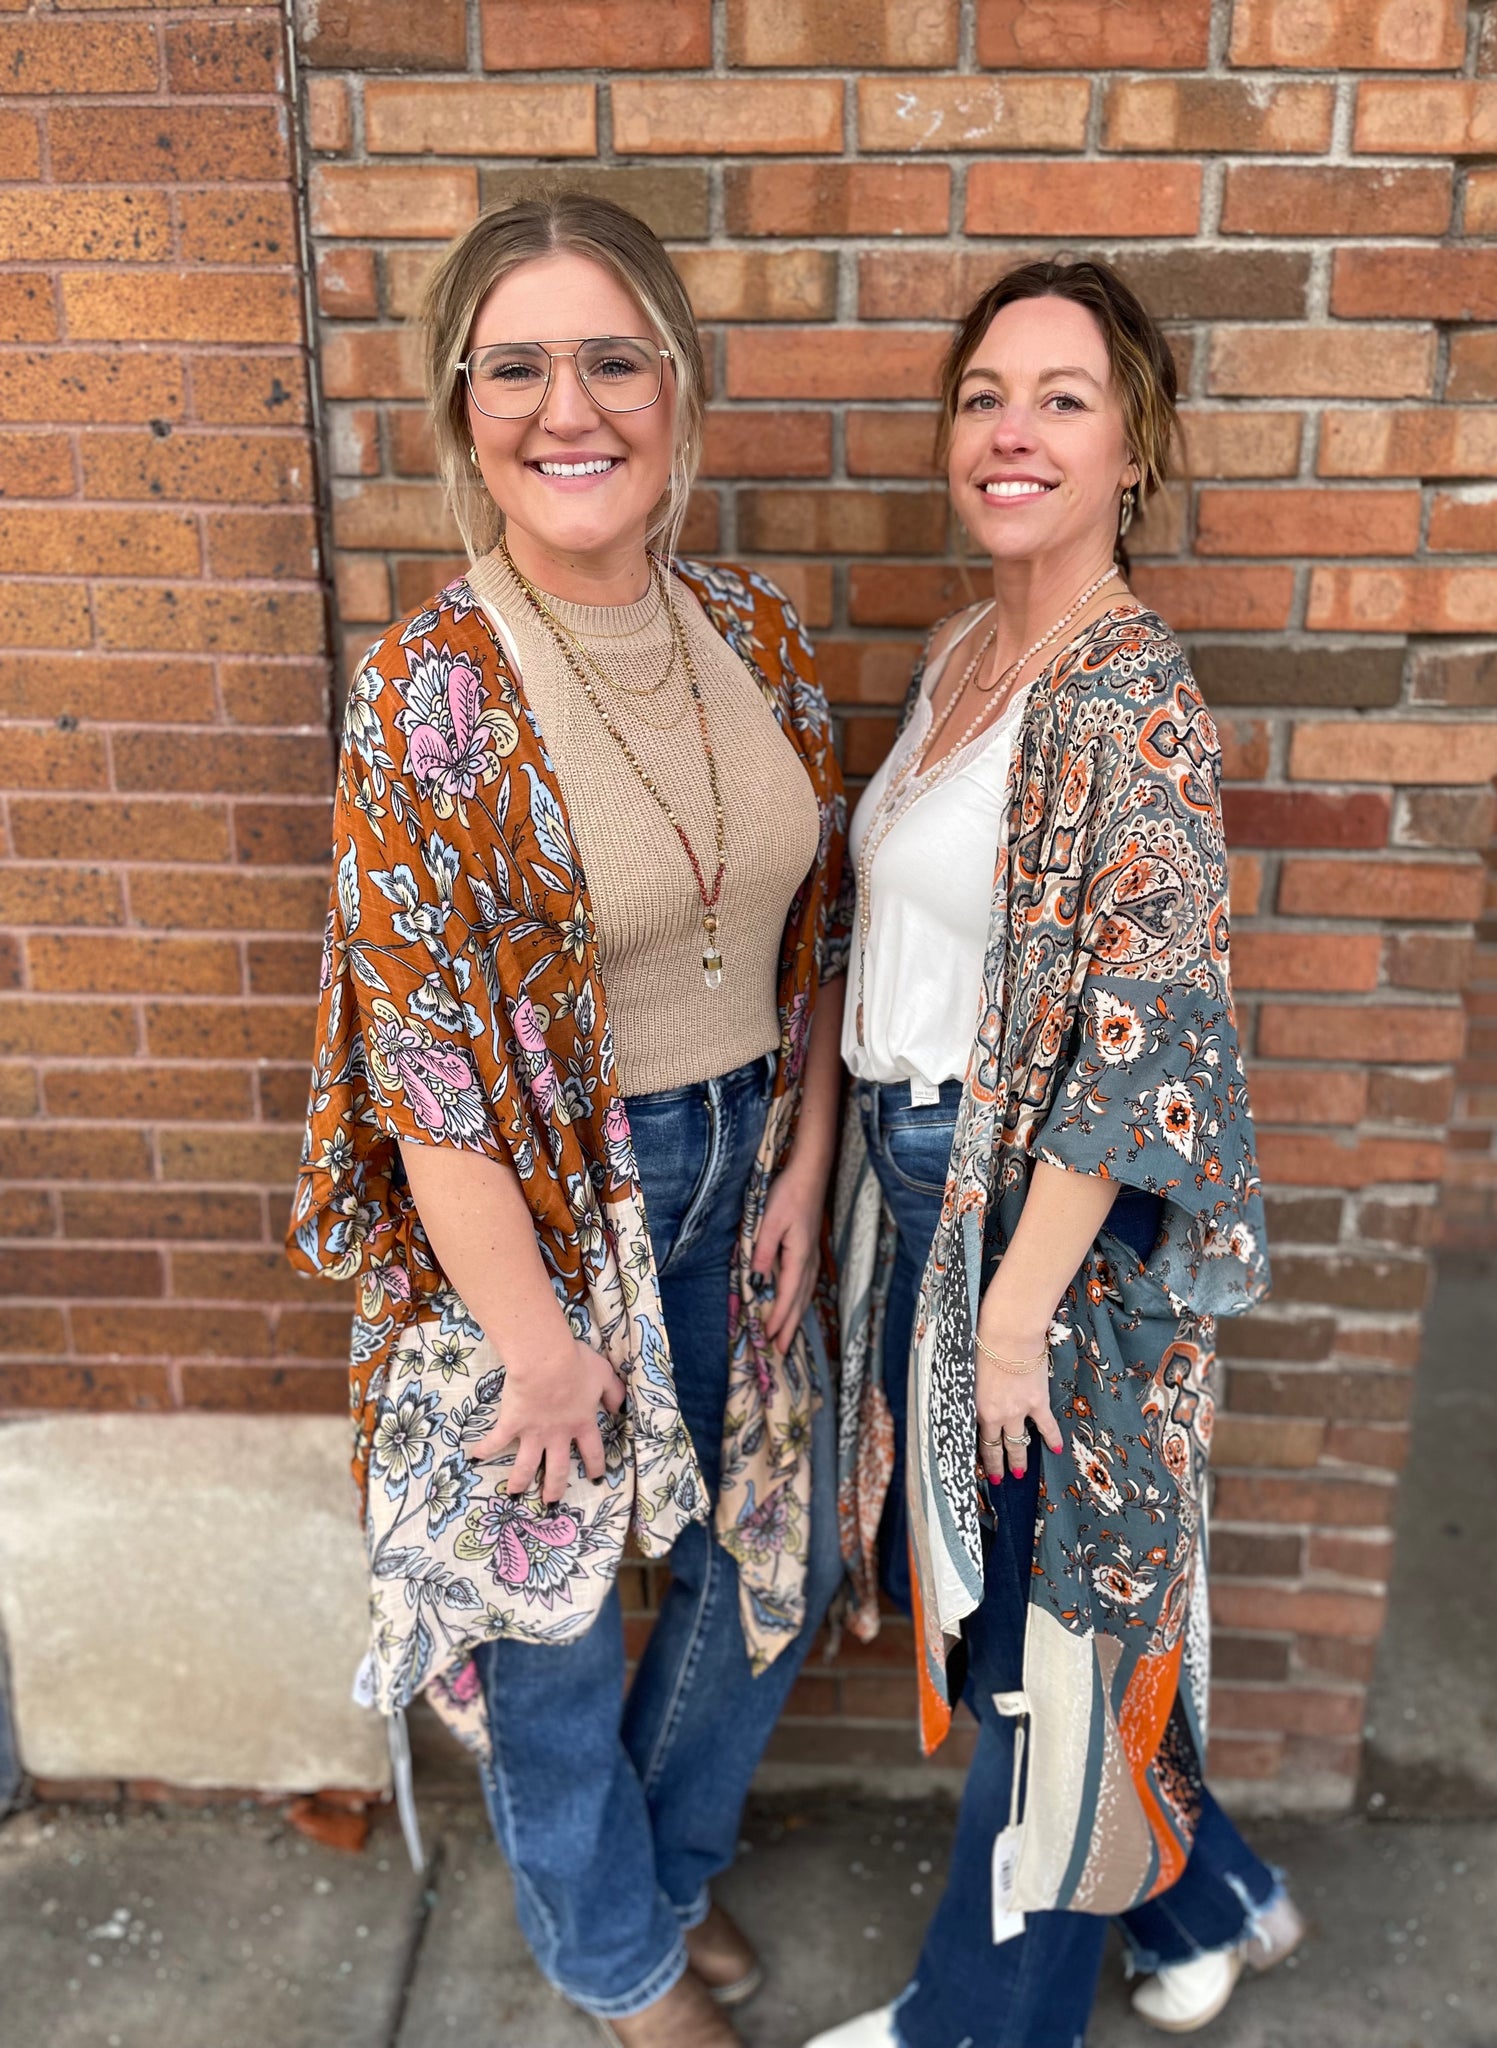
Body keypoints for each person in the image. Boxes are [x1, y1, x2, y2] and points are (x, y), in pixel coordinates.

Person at [287, 194, 852, 2048]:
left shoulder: (754, 633)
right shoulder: (430, 691)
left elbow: (811, 938)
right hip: (538, 1215)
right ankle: (620, 1971)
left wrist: (807, 1153)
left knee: (769, 1559)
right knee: (547, 1628)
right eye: (515, 366)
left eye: (613, 358)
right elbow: (424, 1067)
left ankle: (653, 1891)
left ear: (676, 386)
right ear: (462, 410)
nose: (569, 406)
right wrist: (536, 1348)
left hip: (746, 1172)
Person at [812, 258, 1302, 2048]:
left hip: (1035, 1235)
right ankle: (1216, 1893)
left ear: (1132, 452)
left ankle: (978, 2025)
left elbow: (1140, 1051)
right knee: (1033, 1610)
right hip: (920, 1190)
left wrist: (1015, 1316)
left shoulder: (1130, 700)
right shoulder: (965, 653)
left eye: (1063, 399)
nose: (1011, 432)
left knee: (1039, 1656)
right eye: (983, 396)